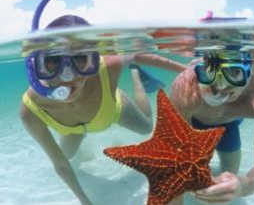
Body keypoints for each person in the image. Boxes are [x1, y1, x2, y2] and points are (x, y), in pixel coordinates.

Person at [20, 14, 186, 205]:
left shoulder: (108, 67)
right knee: (66, 159)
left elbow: (140, 55)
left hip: (112, 110)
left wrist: (186, 69)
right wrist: (85, 201)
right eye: (52, 61)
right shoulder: (30, 111)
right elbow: (61, 165)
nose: (67, 76)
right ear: (35, 65)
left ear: (93, 59)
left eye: (81, 59)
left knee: (147, 127)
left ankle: (136, 77)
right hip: (73, 130)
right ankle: (83, 151)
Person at [169, 51, 254, 204]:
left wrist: (242, 186)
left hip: (229, 127)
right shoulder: (187, 87)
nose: (220, 86)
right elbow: (173, 155)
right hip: (194, 123)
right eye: (211, 71)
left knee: (229, 176)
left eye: (234, 72)